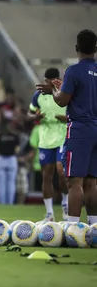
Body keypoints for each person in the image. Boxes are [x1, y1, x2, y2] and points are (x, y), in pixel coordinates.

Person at [37, 29, 97, 225]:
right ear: (95, 48)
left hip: (79, 129)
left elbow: (62, 101)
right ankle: (94, 228)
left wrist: (54, 89)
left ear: (76, 48)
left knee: (75, 181)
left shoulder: (74, 71)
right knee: (92, 182)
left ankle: (72, 228)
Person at [28, 68, 69, 221]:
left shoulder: (65, 94)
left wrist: (67, 118)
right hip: (45, 139)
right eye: (47, 81)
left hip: (62, 137)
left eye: (52, 81)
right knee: (47, 175)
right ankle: (49, 213)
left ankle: (65, 205)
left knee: (61, 172)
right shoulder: (38, 95)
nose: (49, 84)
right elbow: (29, 114)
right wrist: (35, 116)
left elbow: (76, 112)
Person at [0, 121, 20, 205]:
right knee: (11, 183)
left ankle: (2, 204)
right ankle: (10, 203)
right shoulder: (15, 136)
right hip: (11, 158)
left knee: (1, 184)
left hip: (1, 158)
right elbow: (17, 149)